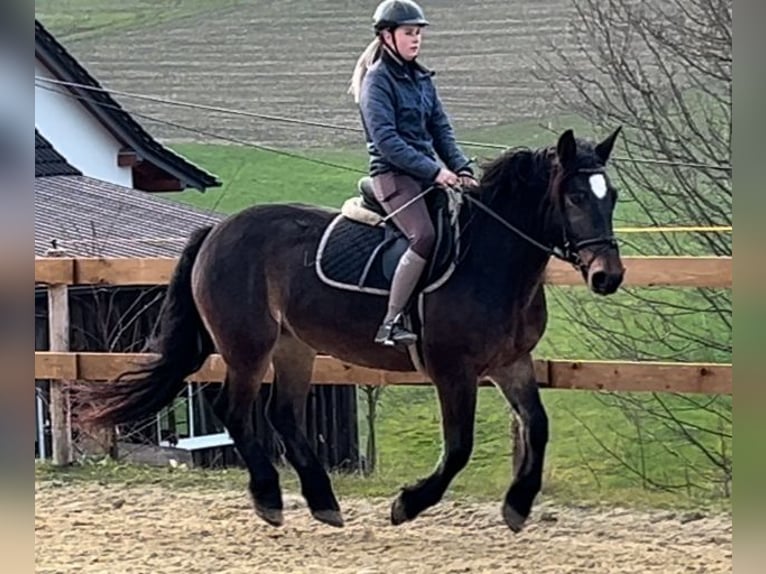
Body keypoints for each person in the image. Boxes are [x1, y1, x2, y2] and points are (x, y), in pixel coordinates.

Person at [348, 0, 477, 347]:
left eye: (418, 33)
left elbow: (441, 129)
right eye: (409, 33)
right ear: (387, 36)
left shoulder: (421, 79)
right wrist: (436, 171)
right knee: (424, 236)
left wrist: (462, 167)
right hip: (393, 177)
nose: (416, 39)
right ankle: (391, 321)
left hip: (424, 174)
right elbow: (387, 142)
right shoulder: (377, 83)